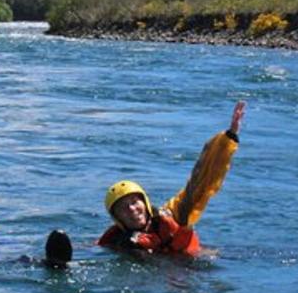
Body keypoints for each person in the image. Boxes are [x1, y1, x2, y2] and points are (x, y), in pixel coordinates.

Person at [99, 100, 245, 258]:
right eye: (123, 208)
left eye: (134, 202)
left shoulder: (175, 214)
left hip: (190, 267)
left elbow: (202, 180)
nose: (132, 209)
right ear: (117, 218)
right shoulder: (116, 240)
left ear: (145, 202)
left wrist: (228, 138)